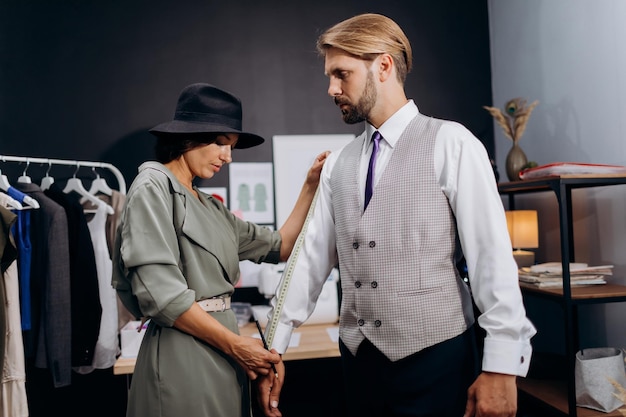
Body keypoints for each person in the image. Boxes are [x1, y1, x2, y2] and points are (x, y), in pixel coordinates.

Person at [258, 13, 537, 417]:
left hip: (436, 360)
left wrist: (501, 366)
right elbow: (308, 261)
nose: (331, 88)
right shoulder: (338, 164)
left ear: (384, 66)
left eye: (342, 74)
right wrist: (274, 346)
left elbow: (491, 260)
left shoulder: (452, 143)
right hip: (358, 364)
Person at [111, 82, 328, 417]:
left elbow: (281, 246)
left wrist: (311, 185)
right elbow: (161, 293)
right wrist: (239, 346)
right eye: (220, 143)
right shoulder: (153, 187)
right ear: (187, 137)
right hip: (183, 352)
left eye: (232, 146)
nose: (227, 156)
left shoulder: (211, 206)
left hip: (224, 350)